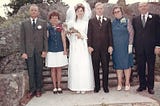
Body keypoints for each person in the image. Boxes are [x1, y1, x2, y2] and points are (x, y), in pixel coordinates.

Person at [65, 2, 94, 94]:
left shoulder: (87, 23)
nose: (80, 13)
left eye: (81, 11)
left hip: (83, 46)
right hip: (75, 46)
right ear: (75, 12)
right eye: (78, 11)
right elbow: (68, 35)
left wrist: (82, 36)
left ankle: (85, 86)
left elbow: (89, 35)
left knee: (84, 65)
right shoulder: (71, 23)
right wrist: (71, 34)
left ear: (84, 12)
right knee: (76, 65)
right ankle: (76, 86)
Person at [132, 2, 160, 94]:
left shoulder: (155, 17)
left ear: (148, 7)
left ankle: (150, 87)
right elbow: (134, 34)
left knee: (151, 67)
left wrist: (158, 45)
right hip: (139, 48)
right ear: (138, 8)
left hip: (151, 47)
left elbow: (158, 32)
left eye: (144, 6)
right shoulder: (135, 19)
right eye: (141, 6)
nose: (143, 8)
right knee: (141, 67)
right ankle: (142, 85)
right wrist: (134, 46)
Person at [20, 4, 48, 98]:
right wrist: (23, 52)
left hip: (40, 51)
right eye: (32, 10)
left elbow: (45, 38)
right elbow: (22, 39)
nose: (33, 12)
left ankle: (39, 89)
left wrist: (45, 50)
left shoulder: (43, 23)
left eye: (35, 10)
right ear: (29, 11)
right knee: (31, 71)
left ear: (38, 12)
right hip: (29, 52)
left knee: (39, 70)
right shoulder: (24, 23)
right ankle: (32, 90)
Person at [87, 2, 113, 93]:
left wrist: (110, 46)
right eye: (98, 8)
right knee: (96, 68)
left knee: (106, 68)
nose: (100, 10)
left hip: (105, 49)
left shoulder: (108, 20)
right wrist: (89, 46)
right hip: (95, 49)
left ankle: (105, 86)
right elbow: (89, 34)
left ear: (103, 9)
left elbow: (110, 34)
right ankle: (97, 86)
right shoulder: (91, 21)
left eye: (101, 8)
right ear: (95, 10)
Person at [111, 6, 134, 91]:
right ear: (113, 14)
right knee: (118, 66)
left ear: (122, 12)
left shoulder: (127, 21)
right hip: (116, 48)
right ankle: (119, 83)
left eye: (118, 11)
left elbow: (131, 33)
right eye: (115, 12)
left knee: (127, 65)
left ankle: (127, 82)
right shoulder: (112, 23)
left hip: (126, 47)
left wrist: (130, 45)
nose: (117, 13)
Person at [45, 11, 68, 94]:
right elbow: (46, 39)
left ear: (58, 19)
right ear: (50, 19)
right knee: (53, 69)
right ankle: (54, 87)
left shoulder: (61, 28)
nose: (54, 19)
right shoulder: (48, 28)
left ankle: (59, 86)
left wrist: (65, 49)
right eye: (53, 18)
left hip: (60, 50)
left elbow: (63, 40)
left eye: (56, 18)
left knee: (59, 69)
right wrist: (45, 50)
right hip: (51, 51)